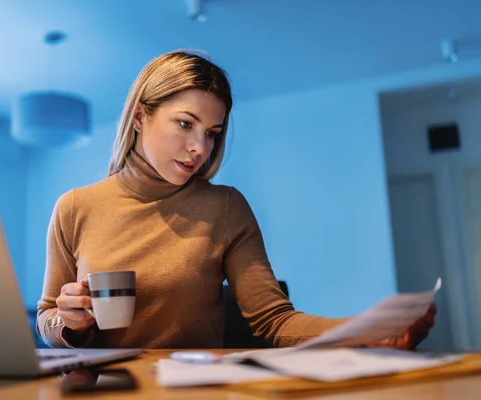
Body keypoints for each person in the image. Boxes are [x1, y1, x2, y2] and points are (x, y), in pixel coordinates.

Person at [36, 50, 436, 349]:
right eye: (185, 124)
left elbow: (274, 322)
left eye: (212, 132)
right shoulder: (74, 207)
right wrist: (69, 323)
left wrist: (368, 331)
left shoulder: (225, 208)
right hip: (105, 391)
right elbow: (47, 318)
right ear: (140, 117)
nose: (199, 148)